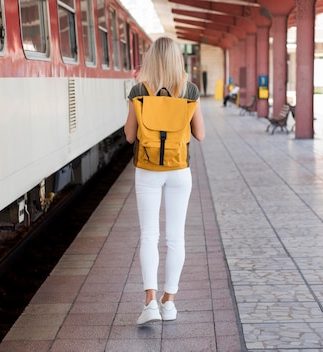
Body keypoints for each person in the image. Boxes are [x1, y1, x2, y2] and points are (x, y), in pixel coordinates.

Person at [124, 36, 205, 325]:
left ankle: (149, 304)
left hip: (147, 170)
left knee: (149, 235)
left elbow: (130, 136)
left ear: (150, 59)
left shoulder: (138, 90)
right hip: (179, 170)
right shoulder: (190, 90)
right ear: (176, 60)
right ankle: (169, 303)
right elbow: (201, 134)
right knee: (175, 237)